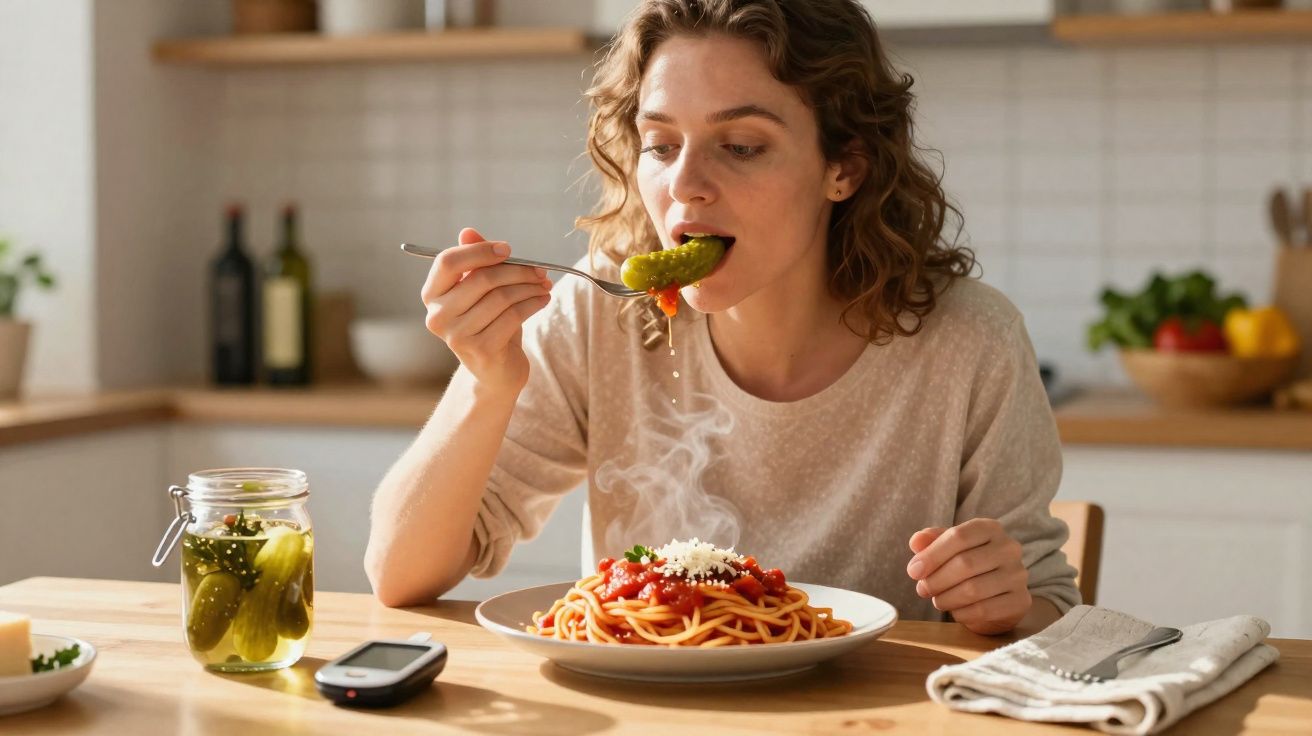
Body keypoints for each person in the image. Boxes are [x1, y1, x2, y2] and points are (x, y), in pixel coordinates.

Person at [365, 0, 1079, 636]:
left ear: (845, 168)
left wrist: (1007, 603)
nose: (684, 186)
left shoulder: (970, 343)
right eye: (661, 144)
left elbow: (1048, 611)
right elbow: (399, 574)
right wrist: (486, 382)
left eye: (740, 147)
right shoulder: (599, 314)